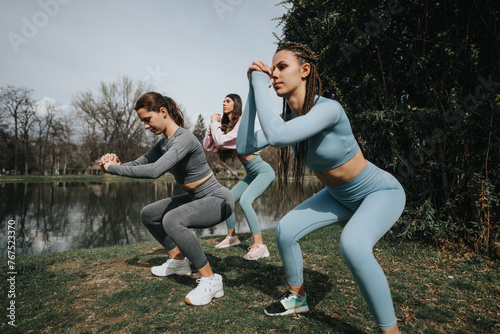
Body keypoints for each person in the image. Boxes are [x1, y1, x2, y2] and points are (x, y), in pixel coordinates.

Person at [237, 43, 405, 334]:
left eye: (281, 67)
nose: (274, 74)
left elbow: (276, 136)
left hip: (378, 192)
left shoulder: (328, 109)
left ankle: (390, 332)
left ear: (304, 71)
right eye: (271, 69)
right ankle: (297, 296)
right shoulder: (290, 120)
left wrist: (259, 79)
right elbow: (244, 146)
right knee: (285, 230)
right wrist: (253, 89)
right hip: (337, 195)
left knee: (353, 245)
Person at [99, 92, 234, 306]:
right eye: (142, 121)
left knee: (172, 219)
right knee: (149, 214)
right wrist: (114, 164)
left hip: (218, 200)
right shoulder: (163, 145)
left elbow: (154, 171)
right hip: (196, 198)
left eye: (147, 119)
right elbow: (137, 164)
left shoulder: (184, 139)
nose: (145, 125)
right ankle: (179, 261)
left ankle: (211, 279)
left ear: (163, 112)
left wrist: (114, 169)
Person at [203, 93, 275, 260]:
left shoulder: (242, 123)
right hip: (251, 173)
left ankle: (260, 246)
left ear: (236, 104)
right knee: (227, 199)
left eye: (228, 101)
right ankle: (232, 237)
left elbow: (221, 141)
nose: (223, 103)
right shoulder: (229, 127)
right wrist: (211, 125)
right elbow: (209, 145)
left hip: (263, 171)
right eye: (223, 101)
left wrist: (214, 123)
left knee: (245, 201)